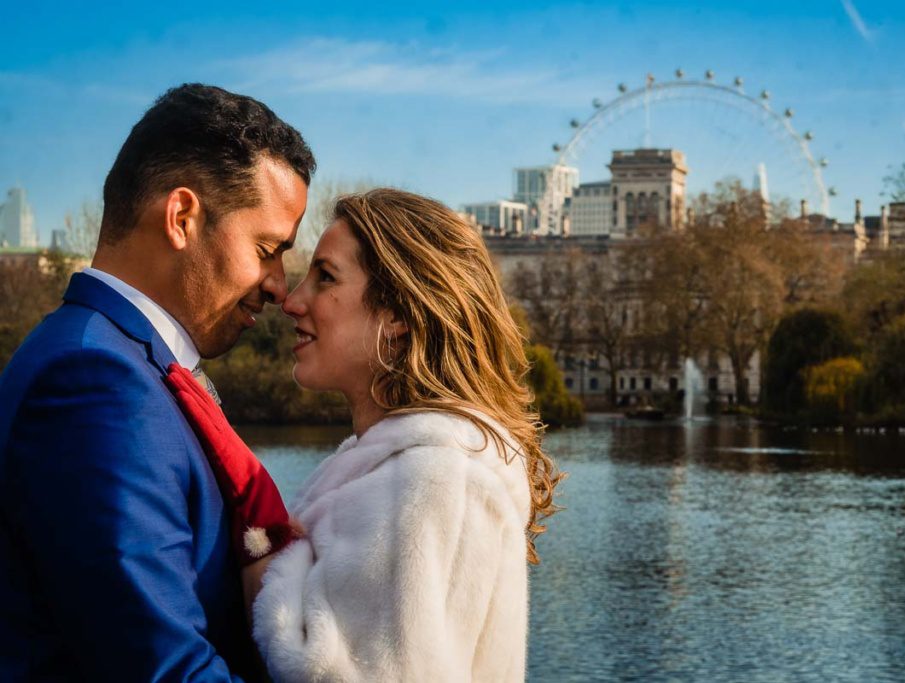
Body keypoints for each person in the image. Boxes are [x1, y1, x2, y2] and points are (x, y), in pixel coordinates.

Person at [165, 189, 562, 681]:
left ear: (396, 315)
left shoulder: (428, 477)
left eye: (325, 277)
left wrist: (259, 532)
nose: (291, 301)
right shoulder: (401, 465)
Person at [0, 83, 315, 681]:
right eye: (268, 249)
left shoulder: (124, 363)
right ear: (182, 218)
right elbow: (164, 668)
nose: (279, 284)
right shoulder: (95, 382)